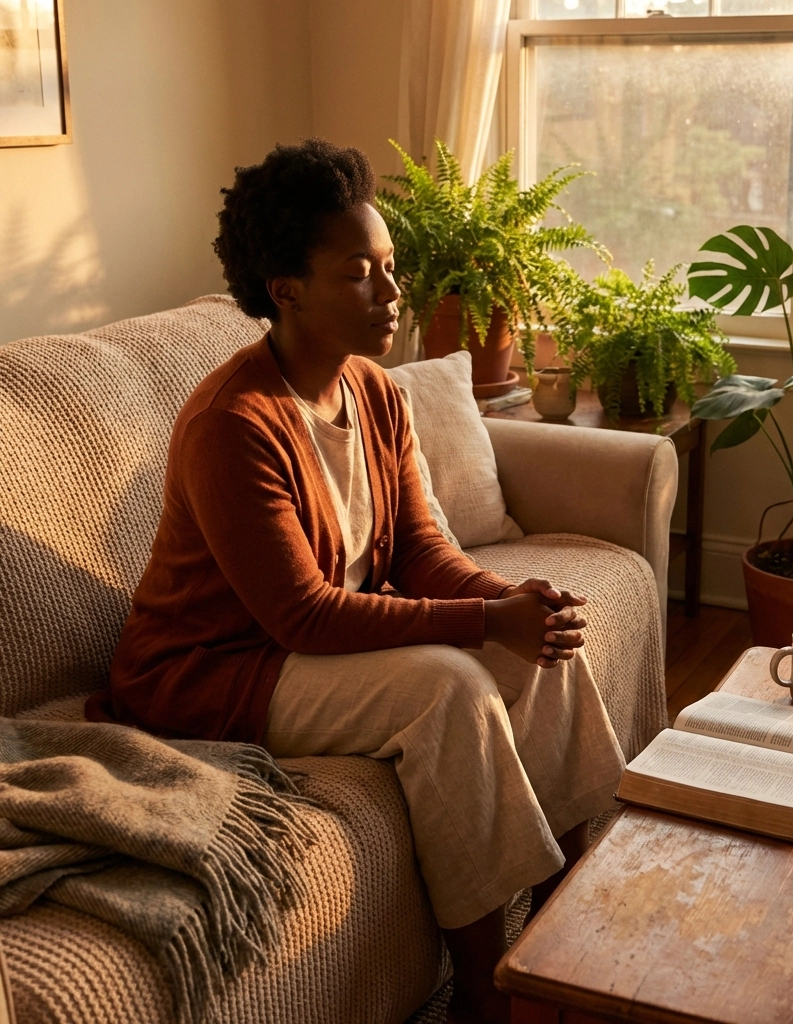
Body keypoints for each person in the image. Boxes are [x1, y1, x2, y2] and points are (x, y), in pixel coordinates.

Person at [86, 139, 625, 1024]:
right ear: (286, 289)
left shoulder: (375, 393)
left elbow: (419, 552)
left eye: (390, 267)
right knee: (448, 687)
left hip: (304, 648)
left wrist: (512, 604)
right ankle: (484, 990)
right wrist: (483, 626)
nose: (391, 291)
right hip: (217, 667)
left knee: (546, 646)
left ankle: (573, 929)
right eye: (359, 274)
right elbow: (300, 615)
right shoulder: (234, 424)